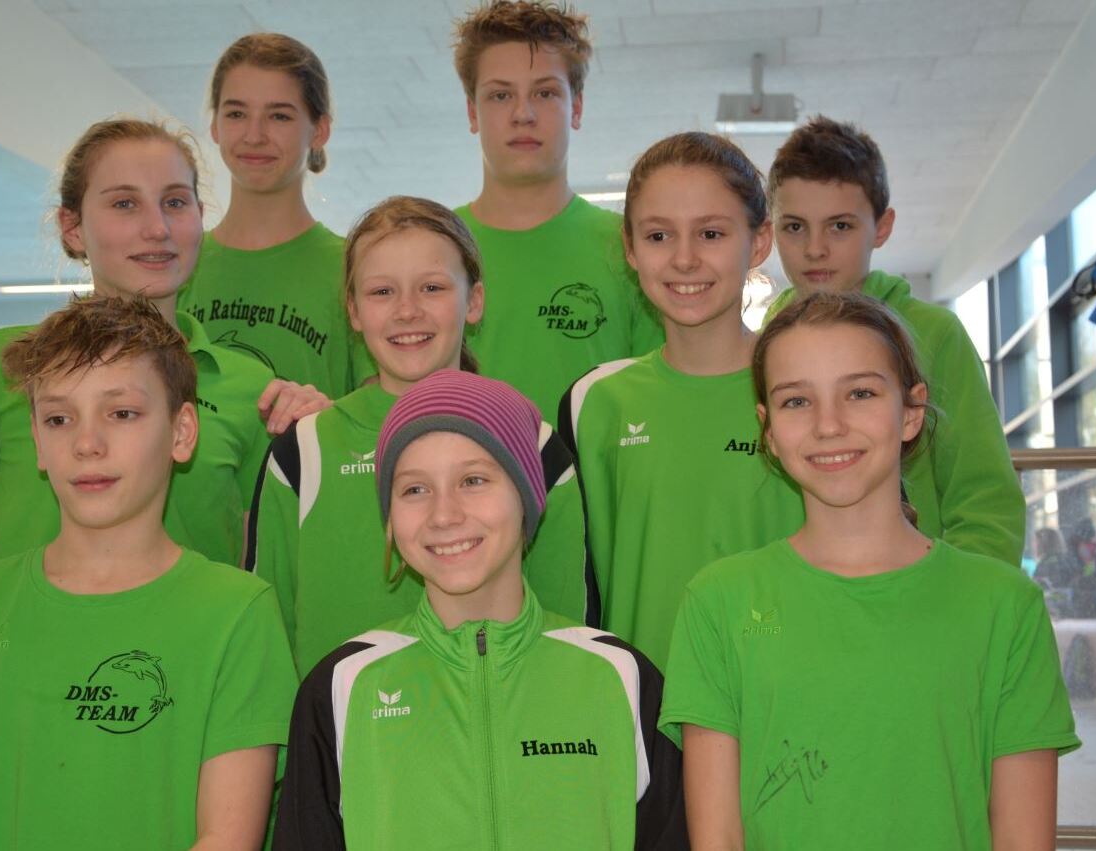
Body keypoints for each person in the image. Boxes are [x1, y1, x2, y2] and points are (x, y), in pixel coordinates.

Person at [0, 117, 320, 819]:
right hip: (21, 706)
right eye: (124, 203)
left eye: (176, 202)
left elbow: (253, 569)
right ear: (72, 228)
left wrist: (323, 432)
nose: (156, 227)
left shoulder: (248, 384)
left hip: (178, 721)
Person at [661, 291, 1079, 849]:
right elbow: (719, 840)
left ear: (910, 412)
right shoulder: (717, 602)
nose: (828, 425)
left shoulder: (1005, 606)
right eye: (795, 402)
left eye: (859, 393)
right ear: (767, 429)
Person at [0, 294, 296, 849]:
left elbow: (227, 837)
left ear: (182, 432)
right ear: (38, 443)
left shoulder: (237, 614)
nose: (87, 444)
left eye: (121, 413)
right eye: (58, 418)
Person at [273, 369, 685, 849]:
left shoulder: (623, 679)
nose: (444, 514)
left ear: (528, 498)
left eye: (473, 480)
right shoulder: (341, 688)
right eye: (414, 489)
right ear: (389, 521)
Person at [252, 196, 592, 677]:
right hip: (342, 743)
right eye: (382, 292)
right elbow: (268, 636)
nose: (407, 311)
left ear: (474, 301)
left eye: (431, 287)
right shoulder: (304, 450)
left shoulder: (534, 446)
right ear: (352, 310)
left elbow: (565, 632)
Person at [561, 132, 804, 671]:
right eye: (658, 235)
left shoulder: (804, 394)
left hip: (783, 705)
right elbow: (575, 583)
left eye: (712, 233)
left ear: (758, 242)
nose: (685, 259)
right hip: (643, 719)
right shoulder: (597, 402)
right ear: (629, 247)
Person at [765, 115, 1024, 566]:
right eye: (795, 227)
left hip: (919, 602)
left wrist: (954, 608)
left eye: (840, 226)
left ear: (881, 228)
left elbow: (986, 501)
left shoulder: (935, 335)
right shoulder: (765, 341)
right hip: (800, 602)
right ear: (771, 230)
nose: (815, 248)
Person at [449, 0, 663, 420]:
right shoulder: (433, 248)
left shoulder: (631, 248)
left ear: (576, 107)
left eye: (545, 93)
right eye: (500, 95)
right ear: (473, 111)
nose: (523, 114)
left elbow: (657, 406)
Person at [178, 33, 370, 400]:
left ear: (320, 130)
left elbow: (377, 416)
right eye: (236, 113)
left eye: (279, 116)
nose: (254, 135)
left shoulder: (355, 267)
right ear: (215, 126)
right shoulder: (178, 265)